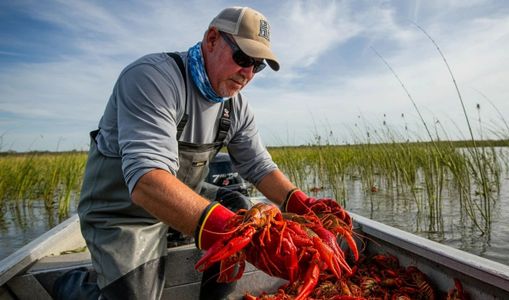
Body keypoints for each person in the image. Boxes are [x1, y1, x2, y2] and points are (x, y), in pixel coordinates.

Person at [52, 6, 350, 300]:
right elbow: (146, 182)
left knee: (242, 208)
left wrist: (301, 202)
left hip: (183, 196)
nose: (247, 72)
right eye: (243, 57)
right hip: (123, 212)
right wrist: (232, 235)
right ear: (211, 39)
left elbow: (258, 166)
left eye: (257, 65)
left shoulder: (235, 106)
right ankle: (70, 285)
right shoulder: (152, 78)